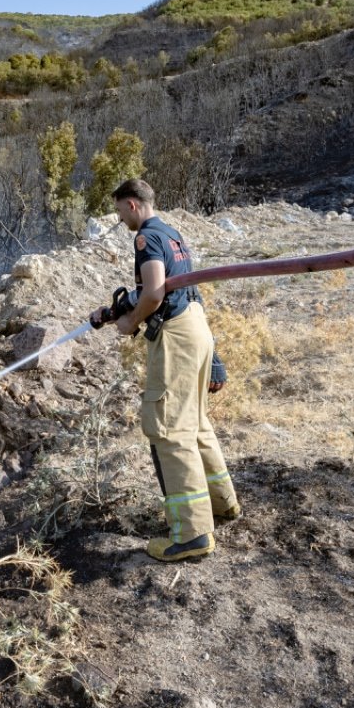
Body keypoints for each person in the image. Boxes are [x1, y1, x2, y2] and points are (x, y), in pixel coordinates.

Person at [88, 179, 240, 562]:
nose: (121, 219)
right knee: (195, 422)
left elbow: (154, 292)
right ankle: (222, 505)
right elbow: (181, 288)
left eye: (121, 211)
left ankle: (191, 535)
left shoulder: (146, 238)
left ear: (134, 205)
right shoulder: (173, 234)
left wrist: (130, 322)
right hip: (196, 328)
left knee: (168, 428)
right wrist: (116, 312)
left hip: (176, 337)